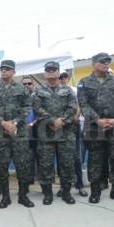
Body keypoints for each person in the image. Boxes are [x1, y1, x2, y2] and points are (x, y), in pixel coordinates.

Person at [77, 52, 114, 203]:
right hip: (95, 128)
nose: (106, 64)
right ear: (94, 63)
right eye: (102, 62)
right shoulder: (84, 82)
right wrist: (97, 120)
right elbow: (83, 104)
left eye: (108, 62)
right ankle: (95, 191)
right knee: (95, 159)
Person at [0, 60, 34, 209]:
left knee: (22, 164)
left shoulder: (22, 88)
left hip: (18, 132)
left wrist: (14, 123)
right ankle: (6, 196)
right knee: (2, 165)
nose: (4, 71)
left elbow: (27, 107)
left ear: (13, 71)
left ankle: (22, 195)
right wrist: (3, 123)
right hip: (1, 133)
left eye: (7, 69)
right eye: (2, 69)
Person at [32, 62, 77, 205]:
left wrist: (61, 122)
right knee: (45, 165)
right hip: (46, 134)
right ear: (45, 73)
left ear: (58, 72)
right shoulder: (39, 92)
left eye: (54, 70)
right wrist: (52, 121)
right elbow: (37, 109)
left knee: (66, 164)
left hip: (65, 133)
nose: (51, 72)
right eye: (48, 70)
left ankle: (66, 192)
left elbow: (72, 108)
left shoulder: (68, 90)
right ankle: (47, 193)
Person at [57, 72, 88, 197]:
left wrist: (75, 116)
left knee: (77, 158)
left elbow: (80, 105)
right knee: (61, 159)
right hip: (60, 128)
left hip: (73, 127)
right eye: (61, 77)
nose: (63, 79)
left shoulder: (74, 90)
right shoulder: (54, 92)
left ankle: (79, 186)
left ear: (68, 78)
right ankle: (62, 187)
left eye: (65, 77)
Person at [22, 76, 38, 186]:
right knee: (26, 156)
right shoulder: (19, 98)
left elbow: (41, 113)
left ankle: (41, 179)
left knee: (38, 155)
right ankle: (28, 179)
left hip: (36, 130)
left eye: (29, 83)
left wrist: (31, 124)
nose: (27, 85)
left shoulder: (38, 97)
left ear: (33, 85)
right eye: (24, 84)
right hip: (22, 131)